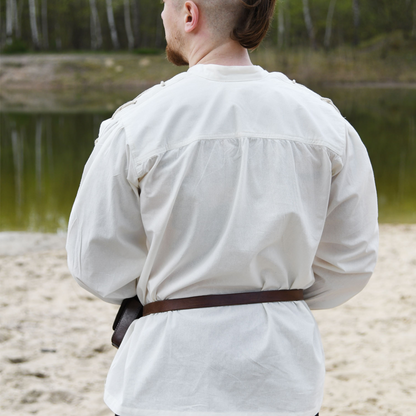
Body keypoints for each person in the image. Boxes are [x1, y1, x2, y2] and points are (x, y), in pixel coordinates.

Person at [66, 0, 379, 415]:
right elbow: (350, 264)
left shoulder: (137, 124)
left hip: (168, 376)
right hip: (283, 378)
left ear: (190, 14)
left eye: (166, 5)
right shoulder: (325, 123)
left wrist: (165, 288)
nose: (162, 15)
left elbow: (94, 261)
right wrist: (275, 298)